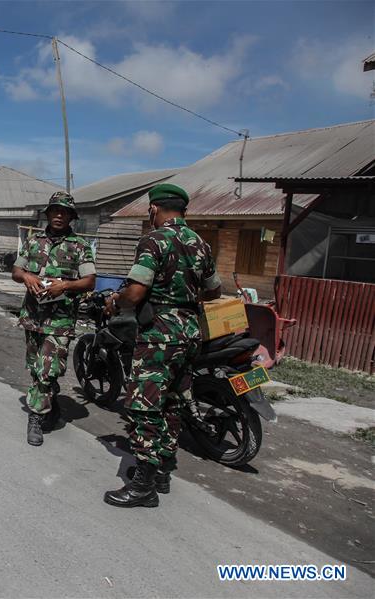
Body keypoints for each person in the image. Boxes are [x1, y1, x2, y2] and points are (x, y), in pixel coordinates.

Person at [103, 183, 221, 508]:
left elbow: (136, 291)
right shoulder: (201, 244)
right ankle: (163, 472)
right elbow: (214, 291)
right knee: (171, 403)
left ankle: (143, 485)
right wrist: (186, 292)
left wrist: (116, 299)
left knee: (143, 404)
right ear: (183, 210)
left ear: (154, 209)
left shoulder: (154, 240)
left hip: (160, 336)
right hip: (190, 334)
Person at [12, 192, 96, 446]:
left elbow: (90, 281)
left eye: (65, 212)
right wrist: (26, 277)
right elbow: (16, 270)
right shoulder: (33, 241)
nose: (59, 215)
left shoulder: (79, 246)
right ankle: (50, 401)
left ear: (71, 216)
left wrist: (66, 286)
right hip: (32, 316)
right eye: (55, 211)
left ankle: (36, 417)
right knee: (36, 367)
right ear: (48, 213)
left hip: (60, 320)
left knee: (47, 370)